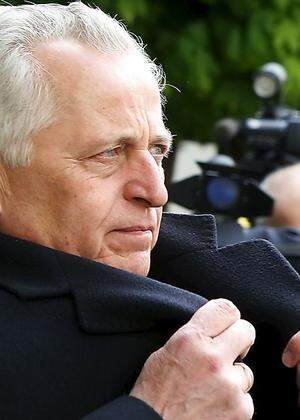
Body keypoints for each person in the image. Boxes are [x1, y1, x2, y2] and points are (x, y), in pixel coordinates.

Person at [0, 3, 298, 419]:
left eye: (158, 150)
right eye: (108, 153)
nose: (157, 192)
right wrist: (157, 411)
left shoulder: (215, 274)